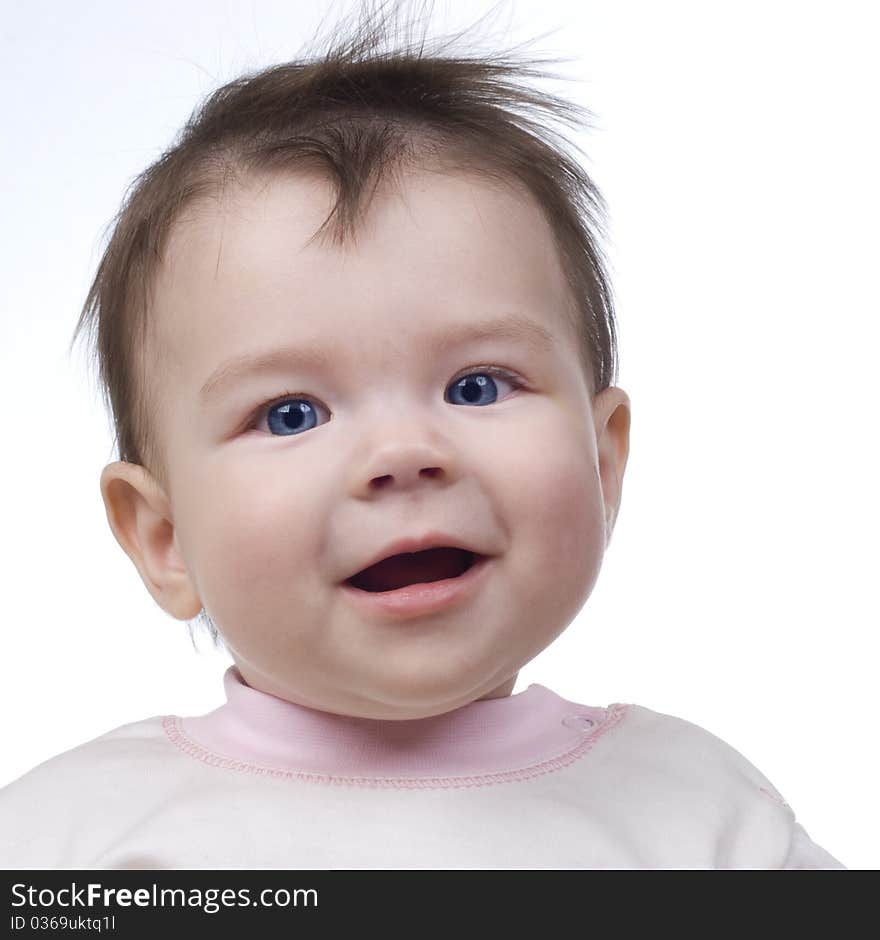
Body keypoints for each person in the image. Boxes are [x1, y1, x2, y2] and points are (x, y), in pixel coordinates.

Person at [0, 0, 845, 869]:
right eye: (291, 413)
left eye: (476, 386)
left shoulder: (701, 814)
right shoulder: (72, 842)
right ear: (163, 537)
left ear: (601, 464)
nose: (405, 454)